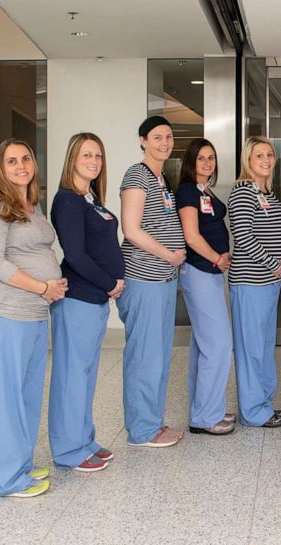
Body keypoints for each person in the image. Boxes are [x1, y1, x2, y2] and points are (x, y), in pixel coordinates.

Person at [0, 139, 66, 497]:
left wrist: (47, 289)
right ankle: (5, 479)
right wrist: (42, 286)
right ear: (0, 168)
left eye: (26, 158)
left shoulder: (32, 204)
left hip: (32, 315)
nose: (20, 166)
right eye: (11, 161)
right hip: (5, 314)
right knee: (5, 399)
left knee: (27, 396)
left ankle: (20, 465)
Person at [48, 132, 123, 472]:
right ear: (72, 160)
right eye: (86, 156)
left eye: (98, 156)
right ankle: (68, 450)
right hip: (79, 297)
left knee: (86, 374)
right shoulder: (68, 200)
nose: (94, 162)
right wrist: (110, 282)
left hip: (94, 299)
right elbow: (75, 255)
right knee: (72, 376)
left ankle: (84, 439)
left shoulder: (89, 198)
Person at [117, 116, 186, 448]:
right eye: (157, 137)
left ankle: (152, 422)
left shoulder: (161, 178)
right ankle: (142, 430)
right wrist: (169, 255)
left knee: (157, 355)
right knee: (145, 355)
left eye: (169, 137)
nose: (165, 143)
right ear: (142, 140)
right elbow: (131, 229)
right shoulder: (136, 175)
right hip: (145, 276)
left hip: (163, 279)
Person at [229, 137, 281, 428]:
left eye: (270, 154)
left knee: (263, 346)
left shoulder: (264, 191)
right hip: (252, 282)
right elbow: (243, 236)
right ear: (248, 160)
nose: (266, 160)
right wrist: (274, 264)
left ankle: (263, 403)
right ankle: (254, 412)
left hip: (269, 283)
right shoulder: (243, 192)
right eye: (259, 155)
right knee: (252, 348)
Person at [176, 138, 235, 436]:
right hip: (200, 270)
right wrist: (217, 258)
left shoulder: (204, 190)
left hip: (209, 272)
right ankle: (206, 417)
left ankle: (205, 410)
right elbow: (191, 235)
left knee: (204, 346)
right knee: (219, 343)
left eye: (211, 158)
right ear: (190, 161)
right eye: (201, 158)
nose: (207, 163)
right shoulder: (188, 190)